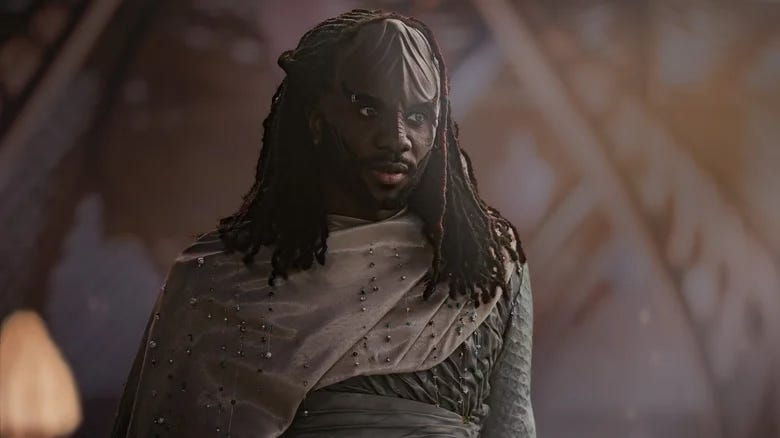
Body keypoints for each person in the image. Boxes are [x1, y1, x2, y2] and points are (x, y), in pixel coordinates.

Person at [112, 9, 535, 438]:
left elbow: (513, 426)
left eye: (417, 117)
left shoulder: (486, 266)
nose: (397, 139)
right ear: (316, 120)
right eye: (368, 110)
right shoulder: (214, 283)